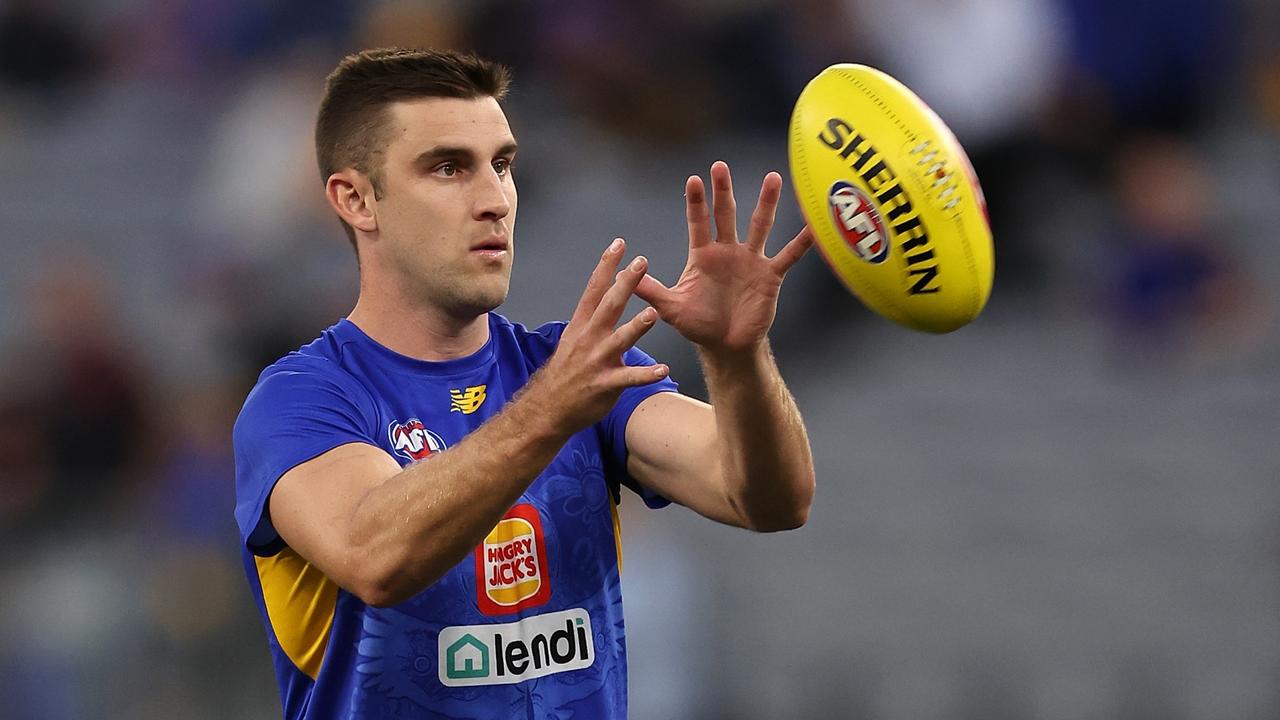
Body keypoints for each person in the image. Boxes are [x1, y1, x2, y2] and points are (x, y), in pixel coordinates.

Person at [233, 47, 816, 720]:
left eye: (502, 165)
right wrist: (547, 414)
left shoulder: (567, 371)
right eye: (449, 168)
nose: (494, 201)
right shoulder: (303, 398)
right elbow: (375, 555)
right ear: (357, 199)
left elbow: (770, 500)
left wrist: (737, 359)